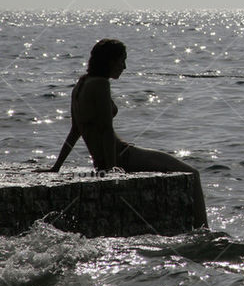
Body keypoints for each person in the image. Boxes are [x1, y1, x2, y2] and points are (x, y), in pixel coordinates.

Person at [43, 39, 208, 229]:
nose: (124, 66)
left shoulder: (81, 83)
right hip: (123, 156)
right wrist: (113, 169)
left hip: (106, 159)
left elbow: (75, 130)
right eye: (122, 61)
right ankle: (204, 231)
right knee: (193, 174)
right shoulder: (101, 84)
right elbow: (105, 130)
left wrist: (57, 166)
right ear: (109, 61)